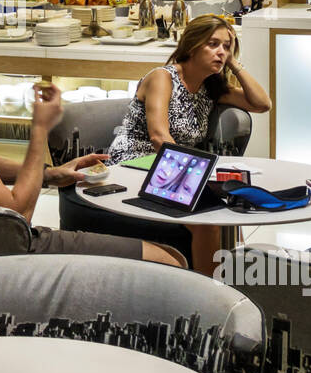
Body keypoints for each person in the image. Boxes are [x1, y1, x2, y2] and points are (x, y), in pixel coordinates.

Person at [0, 23, 187, 267]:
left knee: (164, 252)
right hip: (6, 256)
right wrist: (40, 129)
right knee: (168, 259)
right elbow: (17, 218)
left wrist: (49, 174)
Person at [107, 14, 271, 271]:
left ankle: (233, 282)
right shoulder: (163, 77)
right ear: (193, 45)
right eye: (213, 44)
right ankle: (209, 293)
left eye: (226, 47)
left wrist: (235, 65)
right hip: (134, 164)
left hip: (173, 167)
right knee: (210, 222)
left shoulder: (211, 88)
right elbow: (159, 137)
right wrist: (195, 176)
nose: (221, 52)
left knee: (230, 206)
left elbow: (262, 104)